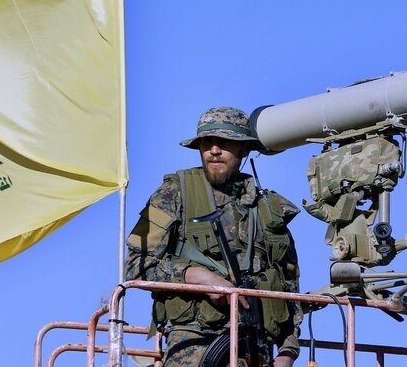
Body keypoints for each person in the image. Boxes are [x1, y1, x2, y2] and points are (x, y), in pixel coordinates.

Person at [125, 106, 302, 366]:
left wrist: (287, 352)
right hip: (193, 348)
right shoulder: (175, 193)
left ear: (244, 149)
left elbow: (289, 288)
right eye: (207, 142)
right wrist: (195, 276)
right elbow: (135, 266)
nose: (214, 150)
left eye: (224, 142)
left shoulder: (268, 209)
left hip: (255, 351)